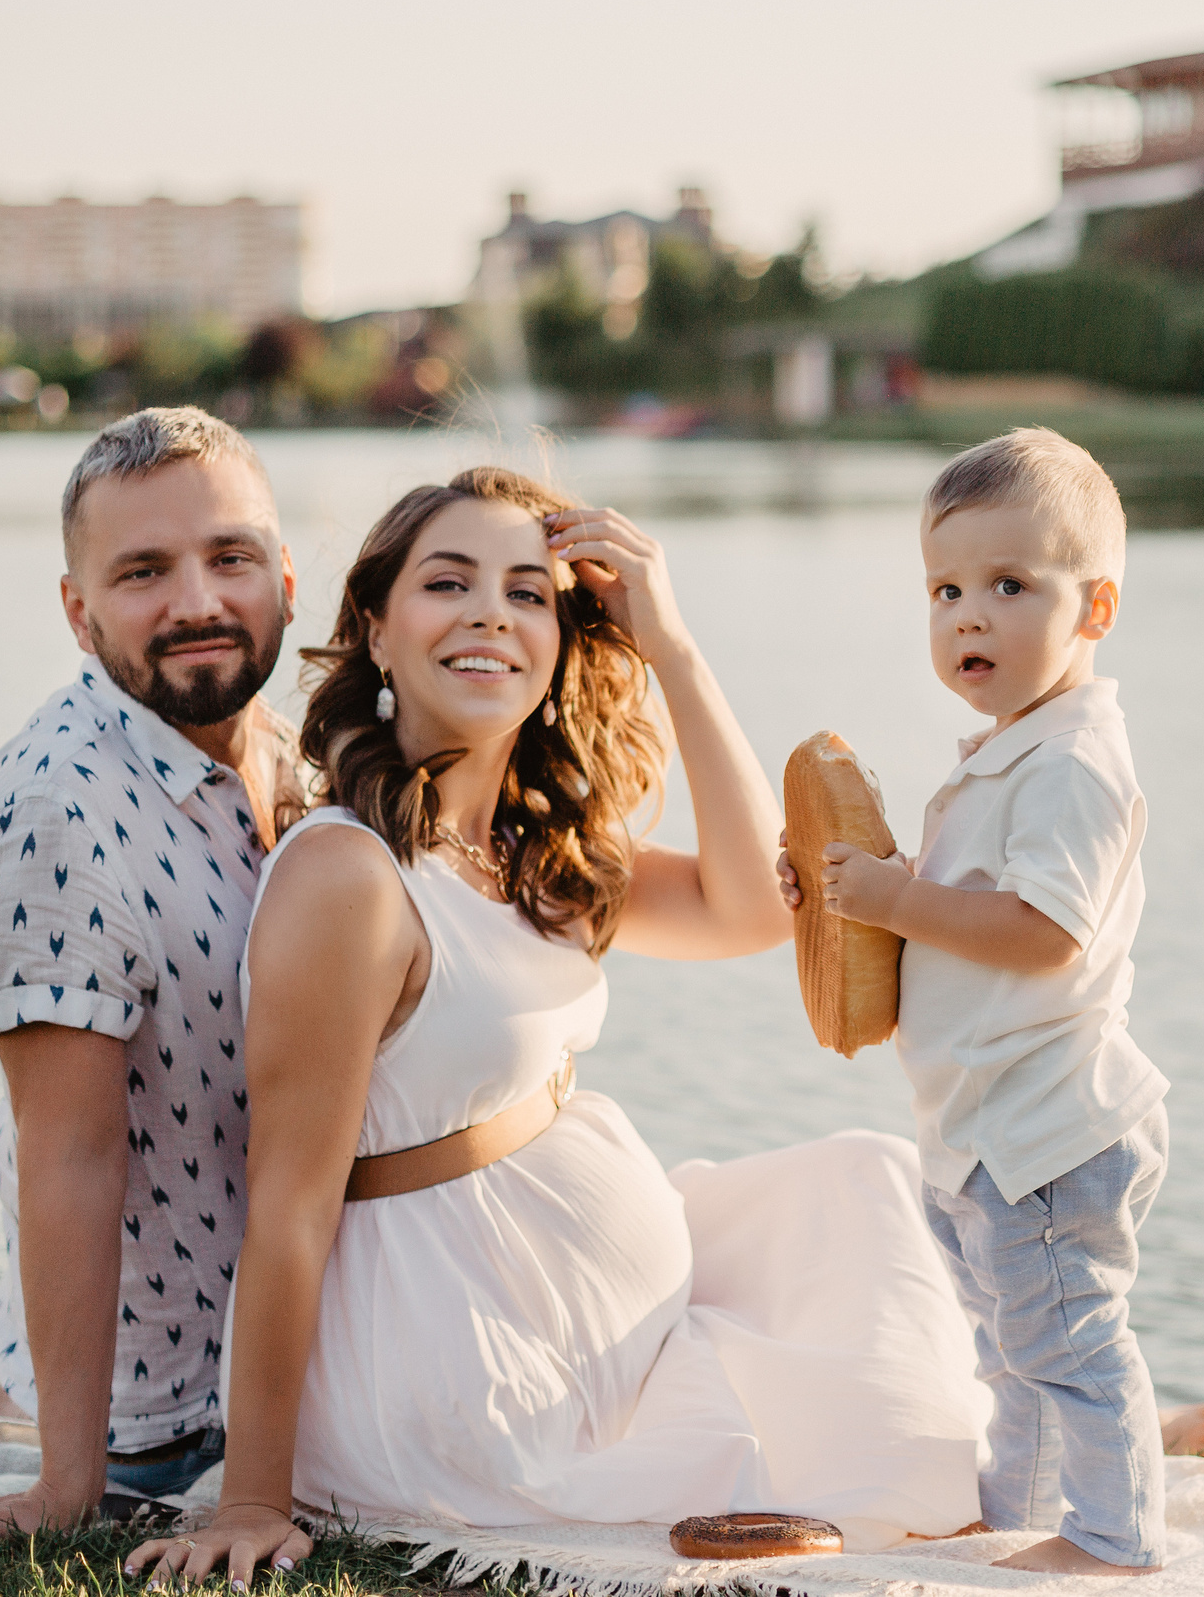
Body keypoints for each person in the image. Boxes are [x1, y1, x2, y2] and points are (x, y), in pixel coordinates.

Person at [127, 469, 997, 1592]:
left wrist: (673, 647)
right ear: (378, 634)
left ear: (559, 644)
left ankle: (1039, 1412)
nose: (492, 612)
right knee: (881, 1439)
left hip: (562, 1307)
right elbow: (289, 1200)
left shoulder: (530, 853)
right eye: (449, 583)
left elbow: (748, 910)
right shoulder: (350, 874)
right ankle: (1024, 1429)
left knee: (866, 1189)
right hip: (462, 1359)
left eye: (529, 593)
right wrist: (250, 1498)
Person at [798, 428, 1177, 1576]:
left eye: (1010, 586)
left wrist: (900, 895)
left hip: (1048, 1129)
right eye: (946, 589)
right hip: (980, 1129)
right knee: (1009, 1351)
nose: (969, 615)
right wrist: (843, 902)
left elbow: (1044, 937)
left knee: (1068, 1344)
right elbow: (950, 921)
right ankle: (1019, 1516)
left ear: (1095, 608)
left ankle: (1116, 1543)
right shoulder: (1010, 751)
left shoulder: (1070, 763)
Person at [0, 408, 303, 1541]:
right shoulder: (53, 815)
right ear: (78, 613)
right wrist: (68, 1486)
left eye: (228, 557)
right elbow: (71, 1155)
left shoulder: (294, 752)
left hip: (302, 1334)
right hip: (178, 1408)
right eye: (144, 571)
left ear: (285, 576)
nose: (197, 601)